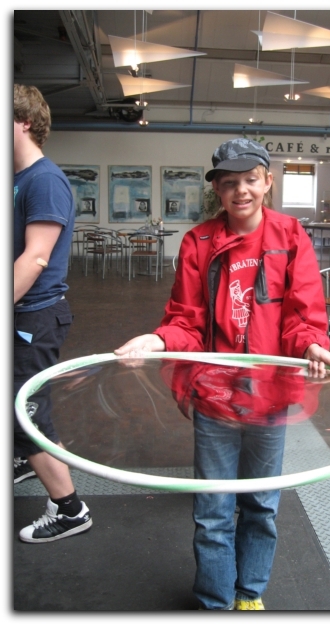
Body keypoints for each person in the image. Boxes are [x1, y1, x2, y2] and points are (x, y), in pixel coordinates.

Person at [114, 138, 330, 610]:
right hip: (215, 398)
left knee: (261, 505)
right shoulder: (198, 242)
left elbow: (302, 314)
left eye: (251, 180)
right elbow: (187, 320)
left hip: (270, 397)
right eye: (230, 182)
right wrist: (158, 339)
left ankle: (249, 594)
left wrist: (312, 345)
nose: (242, 191)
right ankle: (214, 603)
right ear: (217, 189)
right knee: (212, 510)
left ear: (268, 181)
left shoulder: (290, 235)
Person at [14, 84, 92, 542]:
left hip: (34, 318)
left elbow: (35, 257)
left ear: (23, 122)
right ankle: (26, 457)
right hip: (21, 314)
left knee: (24, 414)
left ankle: (70, 510)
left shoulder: (43, 180)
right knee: (18, 411)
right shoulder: (18, 178)